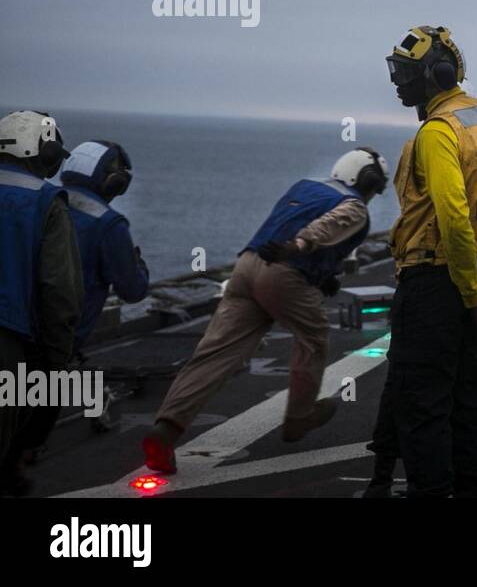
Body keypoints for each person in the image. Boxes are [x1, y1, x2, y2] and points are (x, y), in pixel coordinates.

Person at [143, 147, 388, 474]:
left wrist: (323, 275)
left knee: (216, 352)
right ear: (369, 181)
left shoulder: (304, 186)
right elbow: (328, 227)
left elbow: (288, 225)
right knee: (313, 337)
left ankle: (168, 427)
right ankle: (298, 418)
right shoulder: (356, 206)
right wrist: (299, 247)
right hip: (285, 272)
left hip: (246, 267)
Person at [366, 25, 477, 499]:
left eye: (405, 73)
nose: (397, 83)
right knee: (470, 397)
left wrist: (473, 293)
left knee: (422, 402)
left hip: (435, 281)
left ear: (437, 74)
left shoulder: (438, 133)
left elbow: (454, 216)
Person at [0, 111, 82, 497]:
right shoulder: (46, 202)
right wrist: (56, 357)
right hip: (9, 339)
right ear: (43, 152)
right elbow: (59, 290)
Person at [57, 141, 150, 353]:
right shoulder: (109, 224)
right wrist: (139, 267)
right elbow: (133, 291)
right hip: (62, 340)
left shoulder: (43, 202)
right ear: (113, 182)